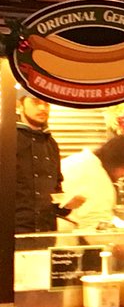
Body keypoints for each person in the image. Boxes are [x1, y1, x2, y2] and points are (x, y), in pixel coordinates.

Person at [14, 89, 83, 232]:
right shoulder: (7, 139)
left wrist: (67, 205)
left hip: (47, 232)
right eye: (35, 102)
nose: (42, 107)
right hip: (13, 233)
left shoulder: (51, 144)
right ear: (19, 105)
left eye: (46, 103)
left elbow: (56, 191)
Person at [60, 135, 124, 231]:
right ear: (113, 162)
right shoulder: (98, 179)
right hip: (65, 235)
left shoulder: (79, 160)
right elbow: (95, 226)